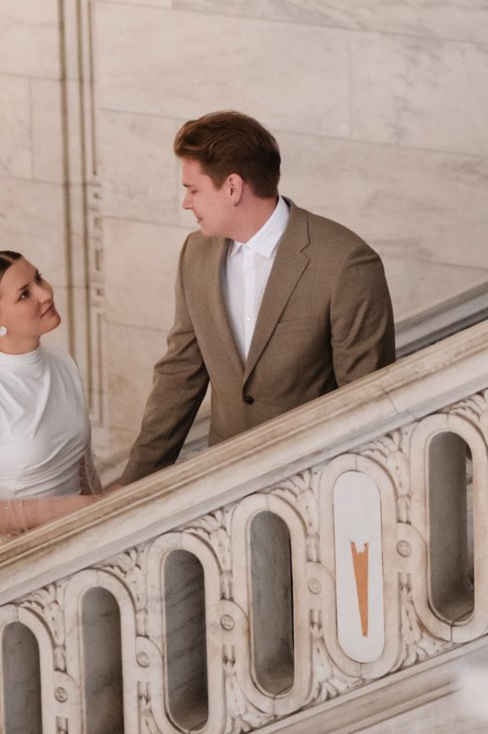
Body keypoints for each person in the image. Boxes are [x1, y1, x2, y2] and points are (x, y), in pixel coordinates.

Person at [118, 111, 395, 484]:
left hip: (311, 485)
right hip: (224, 486)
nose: (186, 202)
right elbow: (179, 374)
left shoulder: (346, 262)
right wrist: (130, 486)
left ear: (232, 187)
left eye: (193, 189)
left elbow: (365, 402)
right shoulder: (194, 254)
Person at [0, 251, 102, 557]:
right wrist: (66, 509)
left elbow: (82, 469)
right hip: (9, 560)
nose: (45, 293)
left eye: (38, 278)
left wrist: (99, 516)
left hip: (77, 546)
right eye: (25, 294)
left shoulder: (64, 363)